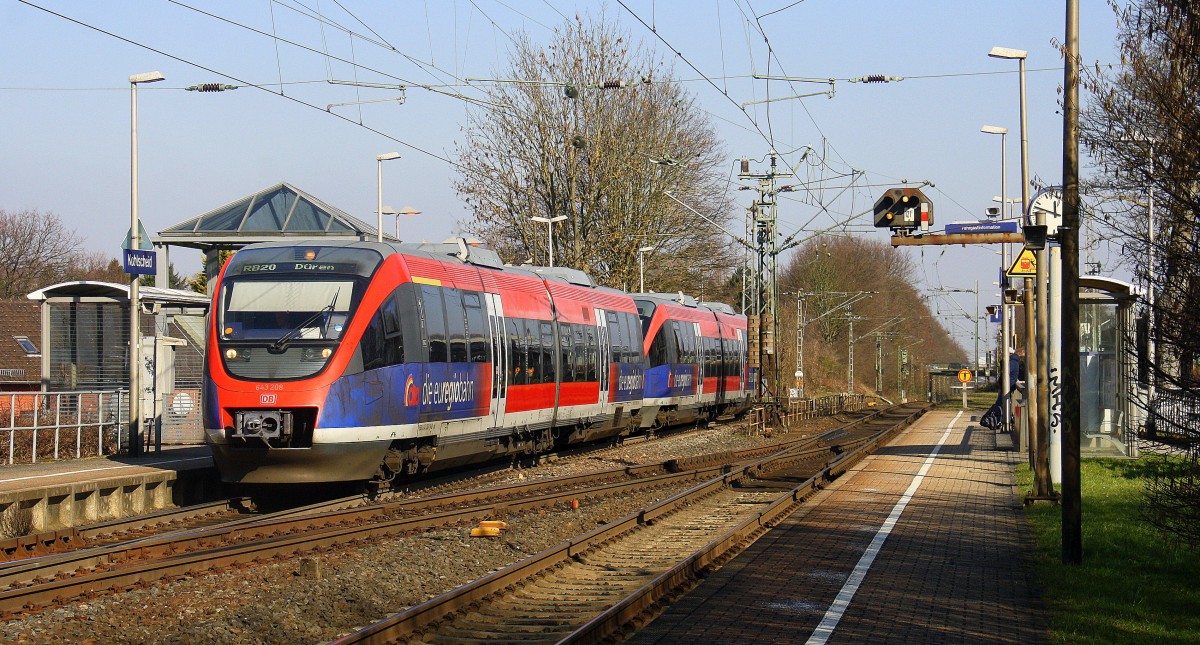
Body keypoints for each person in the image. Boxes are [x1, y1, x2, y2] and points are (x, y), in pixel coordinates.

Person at [981, 346, 1025, 430]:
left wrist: (1001, 381)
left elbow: (1006, 372)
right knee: (1001, 403)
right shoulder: (1014, 361)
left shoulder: (1011, 362)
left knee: (1001, 403)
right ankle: (999, 420)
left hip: (1007, 386)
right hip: (1007, 386)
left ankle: (998, 420)